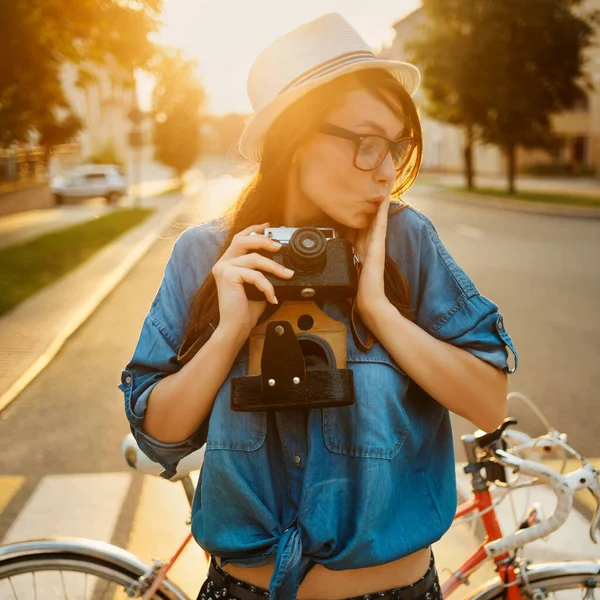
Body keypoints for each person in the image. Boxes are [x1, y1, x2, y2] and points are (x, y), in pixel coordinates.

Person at [119, 13, 519, 600]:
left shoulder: (405, 242)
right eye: (367, 143)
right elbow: (160, 436)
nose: (386, 172)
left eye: (396, 148)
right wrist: (229, 332)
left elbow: (488, 403)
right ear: (296, 137)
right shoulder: (209, 254)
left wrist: (380, 310)